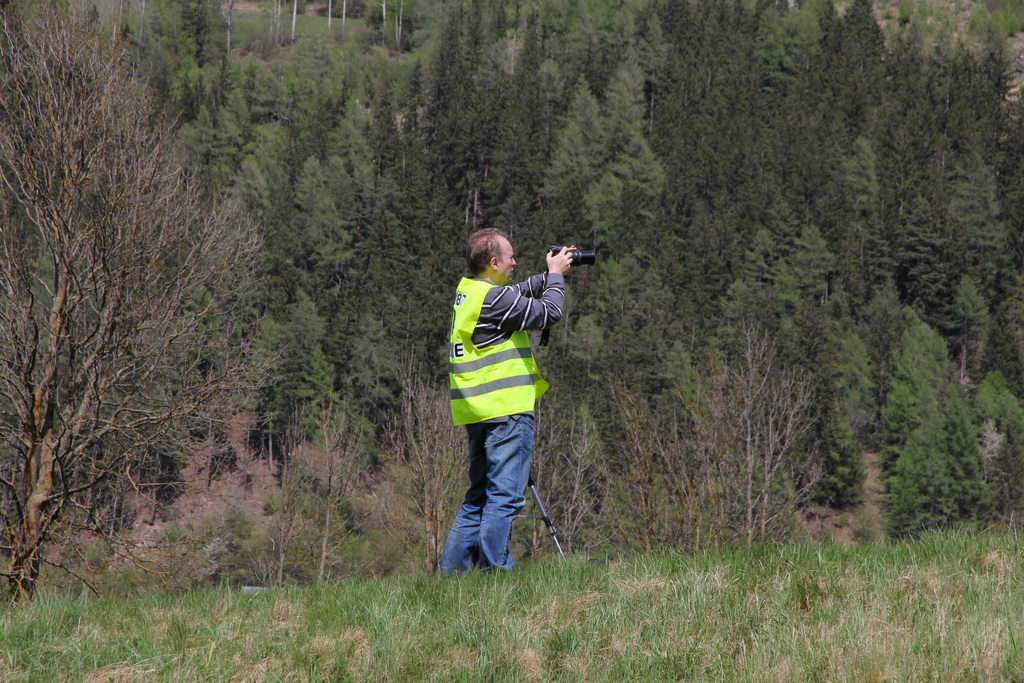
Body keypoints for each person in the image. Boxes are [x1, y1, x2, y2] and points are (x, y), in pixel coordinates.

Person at [439, 228, 575, 574]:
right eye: (510, 257)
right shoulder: (494, 300)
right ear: (494, 262)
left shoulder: (470, 292)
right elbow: (548, 313)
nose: (515, 261)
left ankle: (453, 574)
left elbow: (515, 293)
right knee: (505, 497)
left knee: (479, 496)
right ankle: (496, 571)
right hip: (507, 411)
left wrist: (549, 273)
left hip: (477, 411)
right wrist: (556, 279)